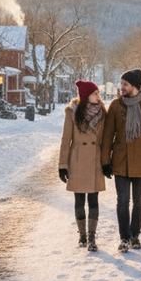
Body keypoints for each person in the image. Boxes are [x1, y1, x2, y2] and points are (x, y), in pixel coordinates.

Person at [101, 69, 141, 253]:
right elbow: (107, 136)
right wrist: (105, 161)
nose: (121, 88)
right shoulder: (115, 106)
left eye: (125, 84)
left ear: (135, 86)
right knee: (122, 201)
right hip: (120, 161)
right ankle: (124, 237)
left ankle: (135, 235)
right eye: (121, 84)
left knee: (139, 201)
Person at [58, 79, 106, 252]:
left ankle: (92, 238)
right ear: (86, 96)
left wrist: (106, 161)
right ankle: (82, 236)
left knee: (93, 200)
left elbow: (106, 140)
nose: (98, 97)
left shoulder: (102, 112)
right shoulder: (72, 112)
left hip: (94, 159)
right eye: (95, 93)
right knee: (79, 200)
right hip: (77, 160)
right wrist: (62, 164)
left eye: (98, 93)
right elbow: (66, 139)